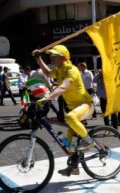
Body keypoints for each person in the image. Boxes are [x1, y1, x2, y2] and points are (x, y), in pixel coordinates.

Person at [32, 45, 94, 176]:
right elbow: (48, 73)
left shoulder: (72, 70)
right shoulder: (59, 70)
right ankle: (74, 167)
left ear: (63, 57)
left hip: (86, 105)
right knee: (68, 145)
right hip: (74, 108)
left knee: (70, 118)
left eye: (54, 55)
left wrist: (47, 98)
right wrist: (38, 59)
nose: (51, 58)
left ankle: (89, 141)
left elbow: (63, 87)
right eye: (50, 55)